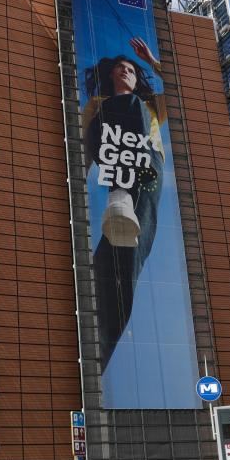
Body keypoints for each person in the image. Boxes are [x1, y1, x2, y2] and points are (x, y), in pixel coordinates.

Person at [80, 38, 167, 370]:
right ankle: (119, 197)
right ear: (110, 74)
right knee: (111, 264)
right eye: (120, 67)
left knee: (126, 255)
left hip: (148, 171)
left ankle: (121, 198)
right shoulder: (97, 106)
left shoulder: (150, 106)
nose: (126, 71)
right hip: (113, 161)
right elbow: (82, 148)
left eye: (131, 68)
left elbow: (182, 87)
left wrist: (153, 61)